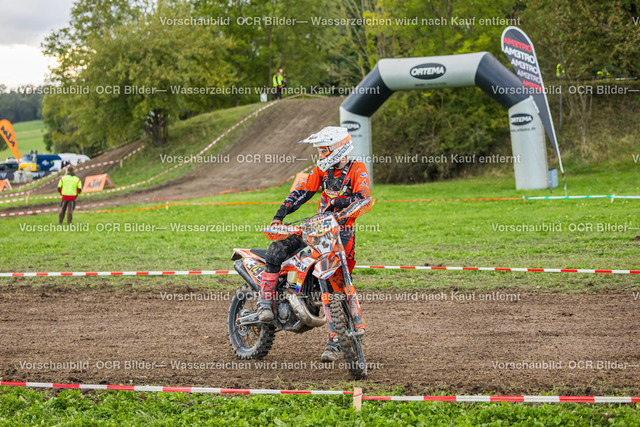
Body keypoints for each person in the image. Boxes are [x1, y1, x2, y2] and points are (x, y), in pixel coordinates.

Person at [257, 126, 371, 362]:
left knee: (336, 286)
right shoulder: (322, 170)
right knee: (276, 250)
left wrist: (338, 204)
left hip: (342, 233)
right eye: (319, 151)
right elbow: (302, 192)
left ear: (337, 149)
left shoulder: (357, 169)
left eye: (323, 150)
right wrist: (279, 216)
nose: (320, 155)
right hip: (316, 229)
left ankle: (335, 343)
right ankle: (264, 303)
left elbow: (364, 198)